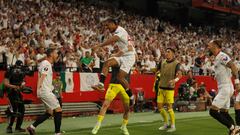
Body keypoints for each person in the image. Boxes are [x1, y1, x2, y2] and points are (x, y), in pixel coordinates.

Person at [91, 18, 136, 99]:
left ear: (113, 23)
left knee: (120, 77)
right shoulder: (118, 32)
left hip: (129, 57)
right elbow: (125, 47)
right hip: (123, 55)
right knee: (107, 63)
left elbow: (113, 40)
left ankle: (131, 96)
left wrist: (99, 45)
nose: (107, 28)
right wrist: (116, 53)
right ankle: (101, 85)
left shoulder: (120, 30)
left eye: (108, 25)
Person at [207, 40, 240, 135]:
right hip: (224, 88)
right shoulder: (217, 58)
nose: (208, 47)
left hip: (226, 87)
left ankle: (232, 127)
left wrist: (237, 81)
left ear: (215, 46)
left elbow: (233, 66)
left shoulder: (222, 56)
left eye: (209, 46)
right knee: (224, 112)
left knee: (213, 111)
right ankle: (235, 131)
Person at [27, 47, 62, 135]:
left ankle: (32, 127)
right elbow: (42, 77)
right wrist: (38, 90)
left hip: (45, 90)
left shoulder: (45, 63)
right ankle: (57, 133)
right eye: (56, 53)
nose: (57, 55)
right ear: (51, 54)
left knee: (49, 112)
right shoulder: (46, 64)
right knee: (58, 110)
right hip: (45, 91)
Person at [91, 66, 131, 135]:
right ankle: (97, 125)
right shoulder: (117, 59)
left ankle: (124, 126)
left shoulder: (129, 60)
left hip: (124, 87)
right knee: (105, 105)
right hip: (114, 84)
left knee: (127, 109)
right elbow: (107, 64)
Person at [157, 48, 182, 132]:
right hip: (161, 87)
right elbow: (158, 71)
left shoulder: (176, 63)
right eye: (166, 51)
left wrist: (174, 80)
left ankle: (173, 126)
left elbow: (179, 75)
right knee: (159, 107)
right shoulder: (162, 62)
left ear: (173, 54)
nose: (166, 53)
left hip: (169, 89)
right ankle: (166, 123)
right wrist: (158, 73)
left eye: (168, 52)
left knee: (169, 107)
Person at [3, 60, 26, 133]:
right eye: (18, 66)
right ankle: (9, 127)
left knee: (22, 109)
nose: (19, 68)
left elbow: (23, 81)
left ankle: (18, 127)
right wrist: (14, 86)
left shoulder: (22, 72)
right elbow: (5, 83)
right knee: (13, 110)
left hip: (18, 92)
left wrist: (22, 84)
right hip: (10, 93)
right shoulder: (9, 71)